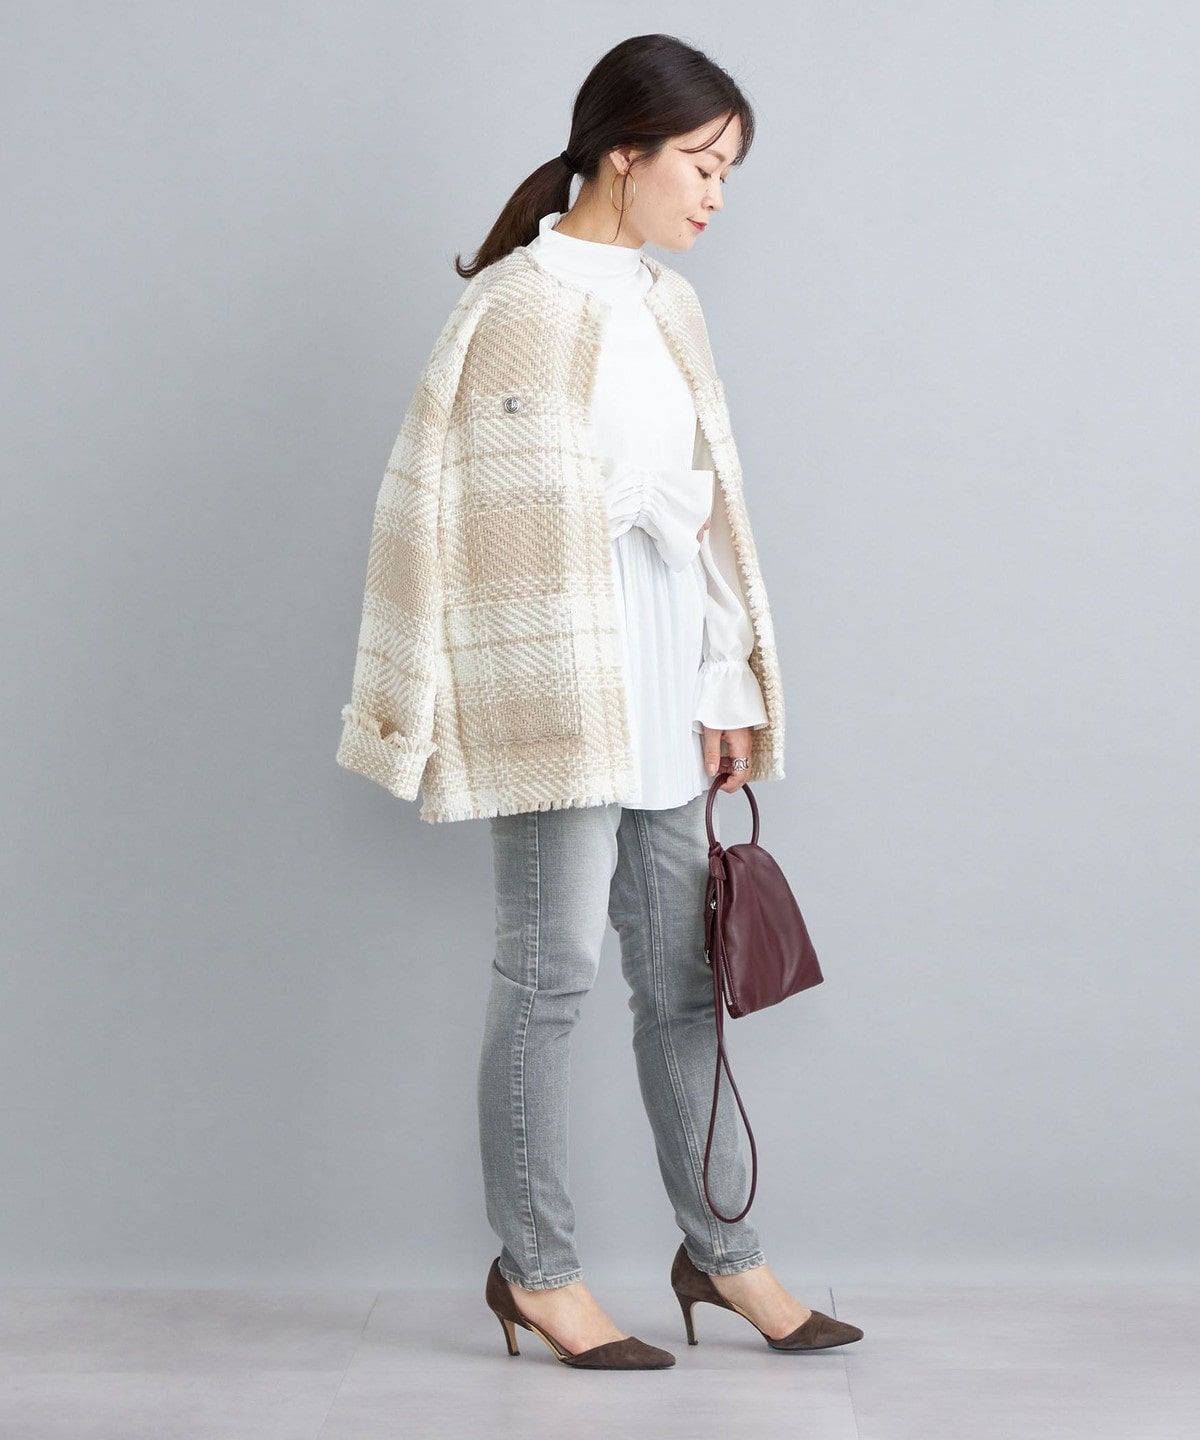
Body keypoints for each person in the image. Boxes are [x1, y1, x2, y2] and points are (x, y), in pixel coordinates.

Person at [336, 33, 863, 1369]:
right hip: (553, 683)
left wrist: (726, 681)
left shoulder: (671, 307)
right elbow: (437, 517)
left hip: (669, 680)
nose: (718, 195)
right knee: (551, 973)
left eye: (729, 171)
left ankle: (724, 1255)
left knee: (683, 979)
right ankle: (538, 1272)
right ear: (624, 153)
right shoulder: (507, 308)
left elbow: (708, 515)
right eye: (703, 163)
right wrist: (420, 706)